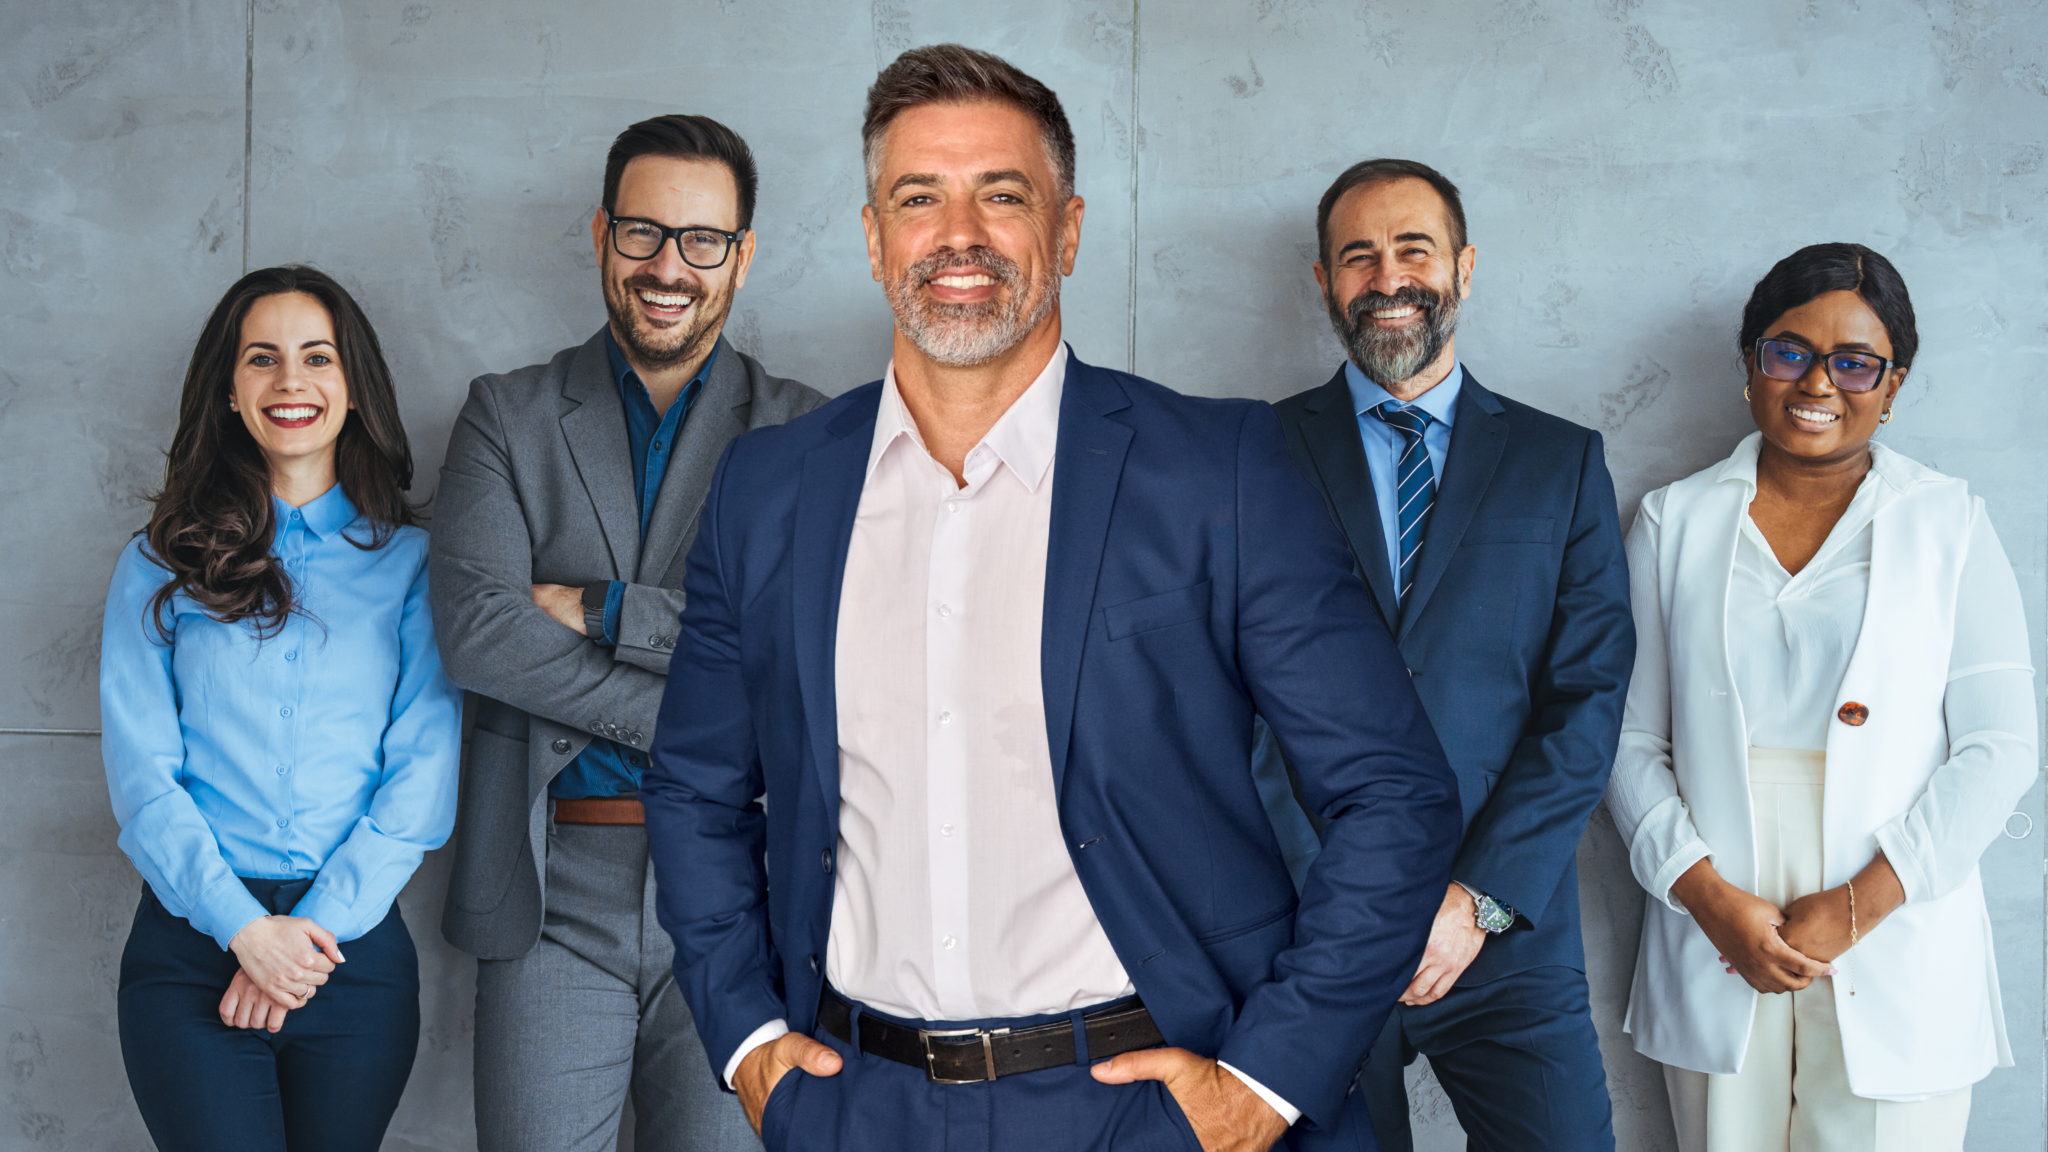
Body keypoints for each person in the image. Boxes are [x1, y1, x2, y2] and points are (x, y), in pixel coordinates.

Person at [641, 45, 1464, 1152]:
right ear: (874, 238)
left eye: (1003, 195)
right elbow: (695, 787)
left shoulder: (1216, 470)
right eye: (918, 198)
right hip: (853, 1103)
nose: (959, 234)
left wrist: (1263, 1085)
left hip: (1144, 1104)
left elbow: (1393, 795)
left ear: (1067, 231)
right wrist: (748, 1045)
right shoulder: (766, 487)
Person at [430, 113, 824, 1152]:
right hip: (551, 886)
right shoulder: (504, 416)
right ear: (603, 234)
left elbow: (805, 648)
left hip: (749, 890)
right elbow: (478, 634)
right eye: (644, 232)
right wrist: (709, 713)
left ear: (742, 256)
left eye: (703, 240)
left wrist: (604, 608)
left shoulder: (806, 431)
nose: (668, 267)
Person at [1604, 242, 2036, 1152]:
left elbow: (1999, 749)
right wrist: (1704, 896)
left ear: (1893, 383)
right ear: (1751, 362)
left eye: (1854, 362)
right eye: (1790, 351)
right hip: (1720, 914)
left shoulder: (1950, 522)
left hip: (1894, 908)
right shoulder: (1673, 521)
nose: (1817, 383)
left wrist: (1862, 904)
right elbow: (1626, 739)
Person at [1265, 159, 1634, 1151]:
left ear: (1464, 268)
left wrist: (1478, 899)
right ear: (1323, 281)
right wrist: (1341, 902)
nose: (1388, 278)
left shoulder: (1560, 464)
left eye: (1413, 250)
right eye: (1358, 256)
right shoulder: (1249, 454)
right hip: (1310, 936)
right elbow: (1226, 700)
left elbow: (1587, 700)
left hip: (1507, 931)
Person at [101, 265, 460, 1152]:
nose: (290, 380)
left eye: (317, 357)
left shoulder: (415, 567)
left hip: (352, 957)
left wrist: (305, 937)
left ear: (353, 387)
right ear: (230, 390)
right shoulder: (157, 567)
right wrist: (243, 931)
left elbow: (421, 778)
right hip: (191, 953)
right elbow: (144, 781)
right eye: (262, 358)